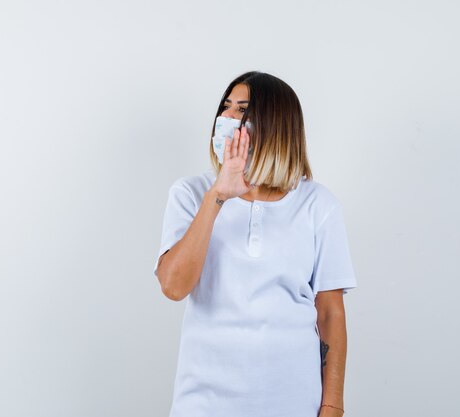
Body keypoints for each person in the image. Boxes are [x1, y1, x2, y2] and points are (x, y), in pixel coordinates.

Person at [153, 71, 358, 417]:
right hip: (203, 402)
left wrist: (332, 405)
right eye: (226, 107)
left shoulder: (318, 206)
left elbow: (329, 312)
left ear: (276, 125)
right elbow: (173, 286)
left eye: (242, 110)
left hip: (293, 402)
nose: (227, 118)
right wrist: (218, 195)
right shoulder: (190, 194)